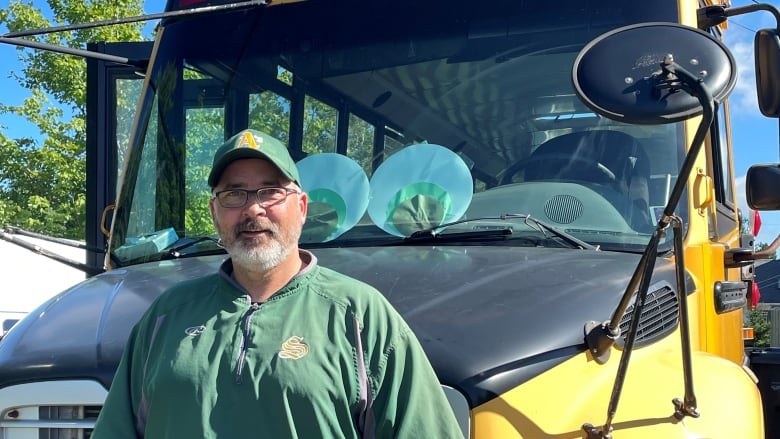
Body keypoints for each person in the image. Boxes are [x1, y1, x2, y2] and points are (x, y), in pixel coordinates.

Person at [92, 129, 464, 438]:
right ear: (215, 212)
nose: (253, 210)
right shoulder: (166, 316)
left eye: (270, 192)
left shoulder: (361, 316)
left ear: (301, 207)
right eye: (234, 194)